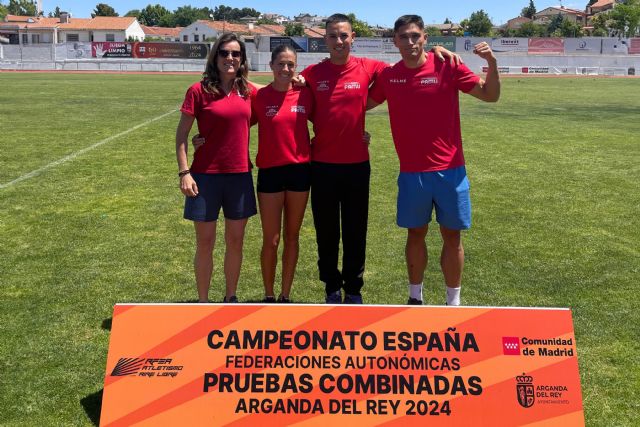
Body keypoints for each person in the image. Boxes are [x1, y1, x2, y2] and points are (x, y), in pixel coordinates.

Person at [300, 13, 460, 304]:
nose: (339, 41)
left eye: (344, 35)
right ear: (325, 39)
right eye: (333, 36)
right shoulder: (312, 74)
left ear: (353, 39)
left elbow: (409, 64)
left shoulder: (370, 67)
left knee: (355, 230)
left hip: (357, 164)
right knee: (326, 231)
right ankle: (331, 288)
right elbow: (285, 93)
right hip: (321, 164)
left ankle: (353, 290)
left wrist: (436, 50)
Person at [367, 15, 500, 306]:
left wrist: (492, 63)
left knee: (452, 236)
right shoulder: (390, 76)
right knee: (415, 234)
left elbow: (490, 95)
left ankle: (453, 303)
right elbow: (359, 104)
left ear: (425, 37)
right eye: (404, 37)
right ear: (395, 41)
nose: (410, 42)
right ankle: (415, 297)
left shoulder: (447, 65)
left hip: (451, 170)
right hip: (412, 173)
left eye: (415, 36)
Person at [175, 33, 257, 303]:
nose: (230, 58)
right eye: (224, 53)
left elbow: (278, 93)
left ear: (242, 59)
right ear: (215, 57)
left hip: (239, 177)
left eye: (235, 54)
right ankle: (203, 301)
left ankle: (230, 297)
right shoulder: (198, 91)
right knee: (205, 242)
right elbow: (182, 136)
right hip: (205, 178)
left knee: (235, 242)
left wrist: (296, 80)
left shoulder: (248, 91)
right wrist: (184, 172)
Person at [252, 45, 314, 303]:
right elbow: (234, 123)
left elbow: (331, 119)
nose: (286, 69)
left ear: (296, 67)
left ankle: (285, 294)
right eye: (281, 64)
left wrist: (360, 135)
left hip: (300, 172)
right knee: (272, 239)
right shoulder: (259, 97)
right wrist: (204, 138)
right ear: (271, 66)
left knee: (292, 236)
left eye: (291, 64)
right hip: (270, 173)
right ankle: (268, 294)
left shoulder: (305, 95)